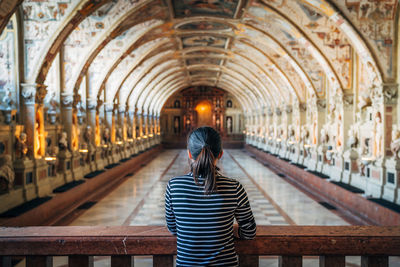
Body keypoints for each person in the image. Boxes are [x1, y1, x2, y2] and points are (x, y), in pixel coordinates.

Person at [165, 126, 256, 266]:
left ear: (189, 154)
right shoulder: (234, 188)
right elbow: (249, 232)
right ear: (220, 154)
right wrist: (226, 229)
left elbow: (173, 229)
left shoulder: (174, 187)